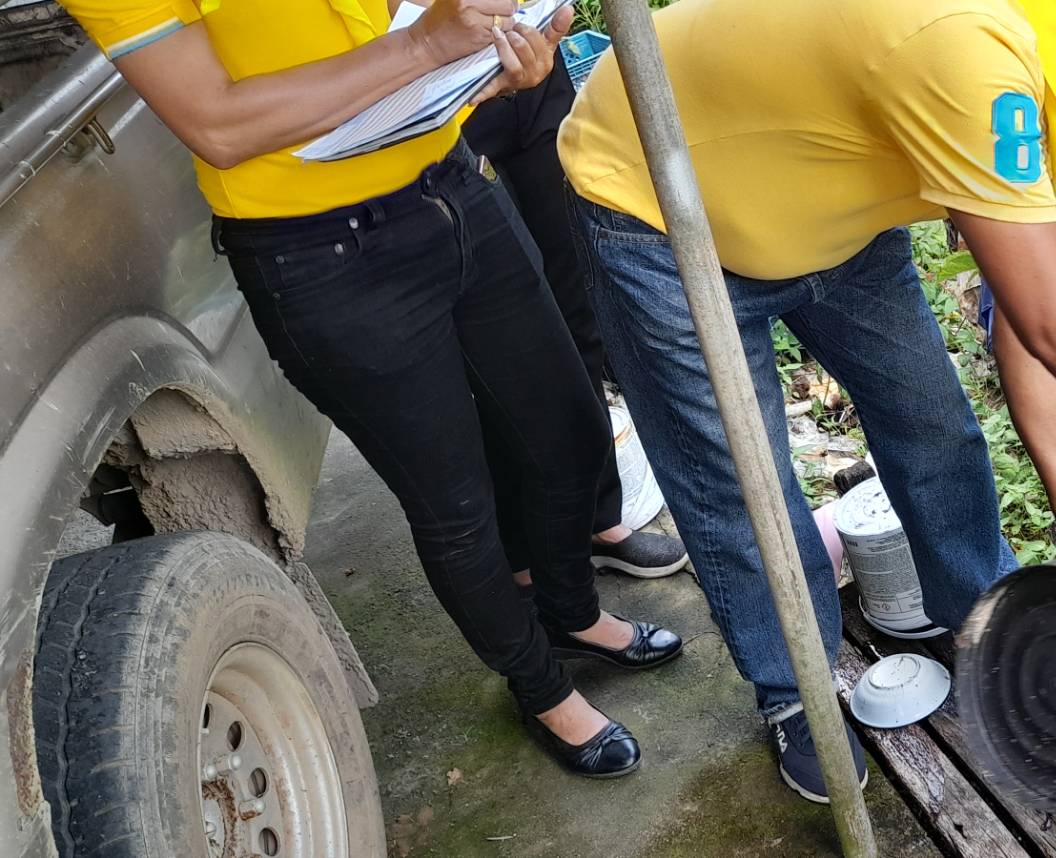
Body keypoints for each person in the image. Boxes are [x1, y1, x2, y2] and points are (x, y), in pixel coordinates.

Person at [559, 0, 1056, 801]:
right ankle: (794, 694)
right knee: (746, 491)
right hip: (657, 198)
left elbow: (1028, 316)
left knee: (933, 428)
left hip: (828, 197)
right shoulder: (966, 41)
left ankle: (980, 622)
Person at [58, 0, 681, 777]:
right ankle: (540, 687)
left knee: (570, 433)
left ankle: (571, 611)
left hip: (453, 187)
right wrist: (425, 45)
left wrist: (489, 63)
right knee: (455, 502)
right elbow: (217, 124)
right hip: (318, 255)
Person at [462, 66, 689, 580]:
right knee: (495, 340)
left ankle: (599, 520)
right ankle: (523, 556)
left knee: (578, 306)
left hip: (530, 76)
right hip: (442, 108)